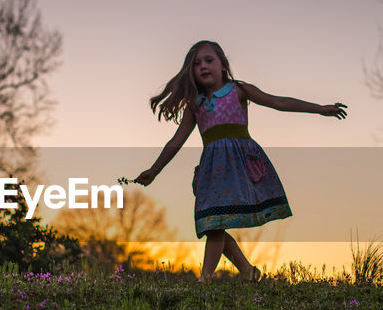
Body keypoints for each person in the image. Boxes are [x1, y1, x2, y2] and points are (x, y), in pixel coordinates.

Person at [134, 40, 346, 283]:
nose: (203, 66)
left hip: (240, 165)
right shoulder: (195, 104)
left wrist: (319, 109)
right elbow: (176, 140)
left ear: (223, 65)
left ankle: (205, 279)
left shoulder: (239, 90)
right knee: (213, 223)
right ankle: (248, 272)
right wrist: (155, 170)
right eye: (196, 64)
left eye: (209, 60)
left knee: (215, 224)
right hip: (213, 171)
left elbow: (279, 102)